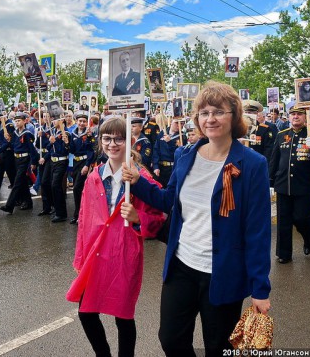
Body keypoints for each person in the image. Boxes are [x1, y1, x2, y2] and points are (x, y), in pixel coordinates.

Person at [122, 82, 271, 355]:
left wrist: (260, 288)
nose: (210, 118)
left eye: (218, 111)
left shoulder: (252, 164)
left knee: (219, 347)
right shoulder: (185, 155)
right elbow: (169, 200)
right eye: (204, 113)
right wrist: (138, 183)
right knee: (171, 339)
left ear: (234, 116)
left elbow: (258, 230)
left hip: (224, 272)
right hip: (182, 266)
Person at [67, 117, 165, 357]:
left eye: (118, 139)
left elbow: (160, 218)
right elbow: (84, 222)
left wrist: (138, 218)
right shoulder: (94, 177)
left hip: (124, 253)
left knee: (123, 315)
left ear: (130, 142)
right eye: (107, 138)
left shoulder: (142, 179)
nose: (112, 144)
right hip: (96, 254)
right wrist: (80, 259)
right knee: (86, 312)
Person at [269, 106, 310, 263]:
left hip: (303, 186)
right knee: (283, 220)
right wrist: (270, 182)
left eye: (299, 114)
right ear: (289, 117)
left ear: (305, 117)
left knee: (302, 219)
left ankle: (308, 238)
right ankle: (284, 253)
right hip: (283, 184)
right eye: (293, 114)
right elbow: (274, 159)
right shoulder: (282, 135)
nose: (295, 117)